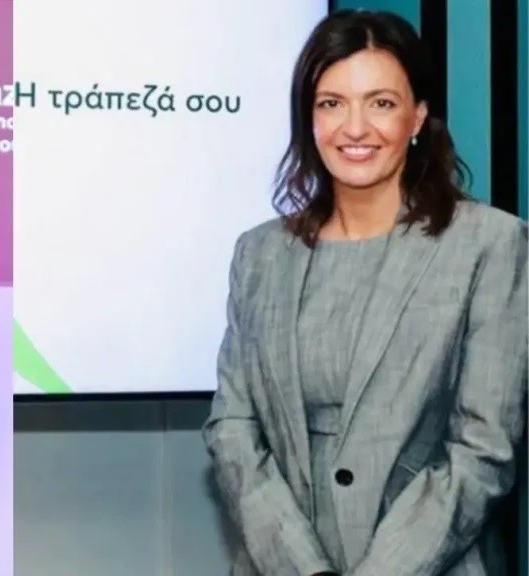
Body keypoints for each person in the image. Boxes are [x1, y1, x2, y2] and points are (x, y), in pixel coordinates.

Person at [203, 10, 526, 576]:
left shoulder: (490, 244)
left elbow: (482, 450)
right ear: (309, 118)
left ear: (417, 116)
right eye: (332, 103)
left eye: (381, 102)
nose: (355, 128)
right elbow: (233, 430)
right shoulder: (260, 255)